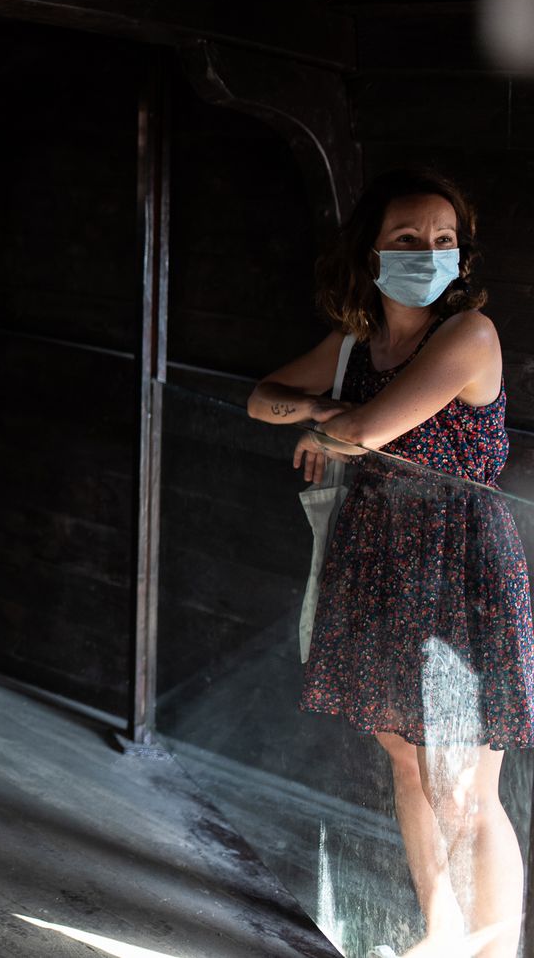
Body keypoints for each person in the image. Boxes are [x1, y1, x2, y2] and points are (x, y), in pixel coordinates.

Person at [248, 169, 534, 958]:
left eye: (444, 240)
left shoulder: (469, 335)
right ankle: (442, 933)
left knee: (467, 789)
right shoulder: (356, 346)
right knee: (410, 767)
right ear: (370, 254)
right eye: (408, 239)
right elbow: (263, 399)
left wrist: (331, 425)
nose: (428, 252)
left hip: (460, 563)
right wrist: (319, 410)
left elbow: (364, 433)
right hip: (379, 558)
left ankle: (491, 951)